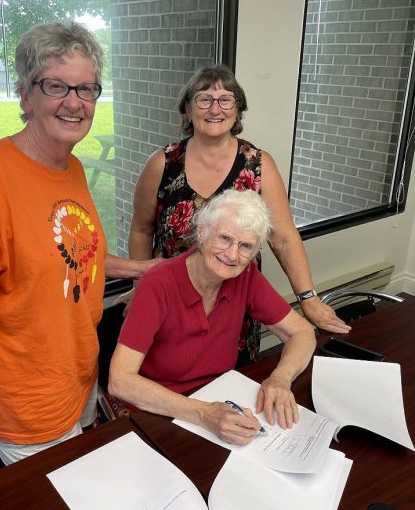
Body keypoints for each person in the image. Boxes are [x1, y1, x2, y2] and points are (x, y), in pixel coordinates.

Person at [0, 22, 157, 510]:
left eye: (87, 88)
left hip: (78, 380)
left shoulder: (69, 166)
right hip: (28, 411)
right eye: (56, 86)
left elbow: (71, 257)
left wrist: (140, 270)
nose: (74, 102)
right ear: (25, 95)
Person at [128, 64, 349, 363]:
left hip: (234, 306)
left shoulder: (259, 165)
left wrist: (308, 298)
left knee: (233, 387)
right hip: (170, 305)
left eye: (225, 99)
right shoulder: (162, 164)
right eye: (203, 99)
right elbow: (142, 230)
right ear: (188, 108)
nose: (214, 108)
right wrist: (140, 288)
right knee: (170, 382)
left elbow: (283, 238)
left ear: (237, 110)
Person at [109, 189, 316, 443]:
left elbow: (302, 332)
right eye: (225, 238)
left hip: (217, 403)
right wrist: (204, 414)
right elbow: (119, 381)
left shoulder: (246, 276)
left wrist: (280, 379)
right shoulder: (158, 284)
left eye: (245, 246)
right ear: (202, 233)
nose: (231, 255)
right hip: (157, 416)